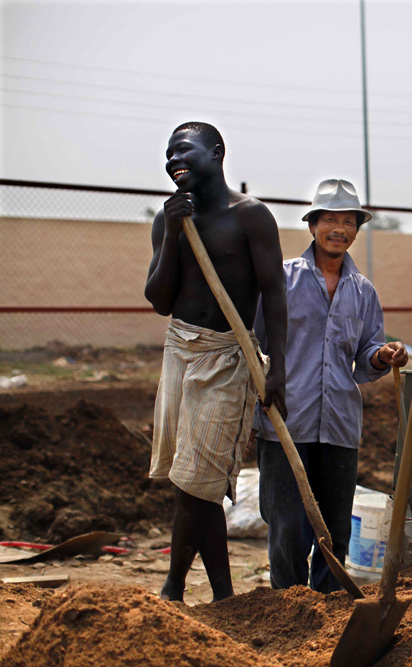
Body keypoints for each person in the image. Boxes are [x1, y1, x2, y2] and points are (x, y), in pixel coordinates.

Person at [144, 121, 287, 603]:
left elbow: (274, 293)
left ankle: (174, 587)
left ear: (217, 153)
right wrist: (173, 234)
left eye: (182, 150)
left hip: (228, 355)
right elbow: (160, 300)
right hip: (179, 350)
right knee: (189, 481)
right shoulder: (168, 219)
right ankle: (221, 595)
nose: (172, 160)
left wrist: (279, 366)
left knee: (197, 481)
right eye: (168, 154)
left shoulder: (250, 216)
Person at [252, 178, 408, 593]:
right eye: (330, 219)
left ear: (357, 229)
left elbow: (366, 354)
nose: (339, 228)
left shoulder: (363, 292)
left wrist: (383, 355)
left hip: (338, 423)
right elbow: (254, 345)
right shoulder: (281, 281)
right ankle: (288, 606)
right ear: (312, 225)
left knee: (336, 530)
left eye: (348, 221)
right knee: (288, 530)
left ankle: (329, 610)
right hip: (286, 421)